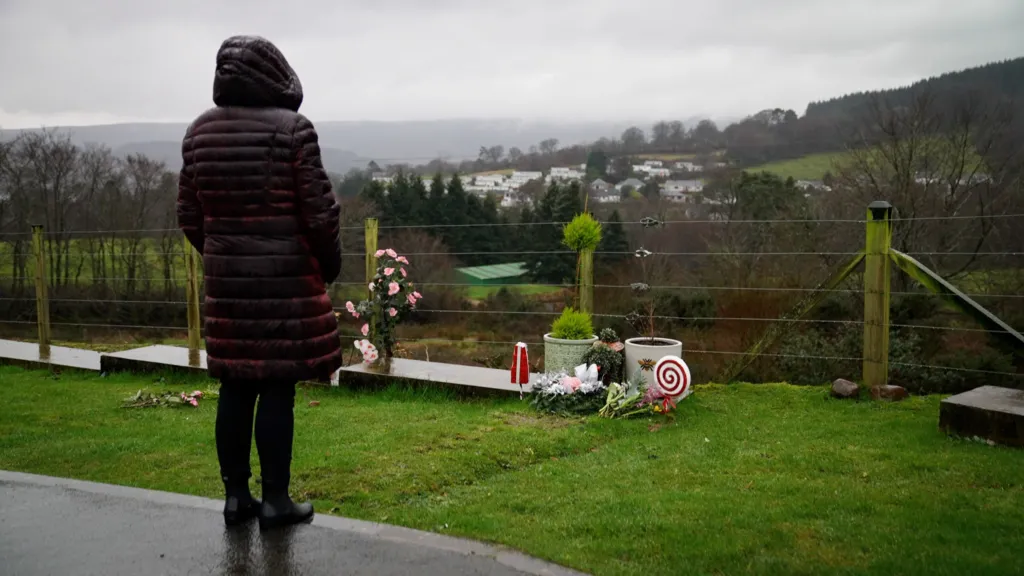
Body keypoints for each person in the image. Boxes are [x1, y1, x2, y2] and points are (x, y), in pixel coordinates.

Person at [177, 35, 343, 530]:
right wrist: (324, 266)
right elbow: (320, 214)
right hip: (285, 281)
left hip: (229, 284)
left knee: (235, 385)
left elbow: (189, 213)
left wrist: (224, 256)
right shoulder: (294, 130)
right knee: (276, 387)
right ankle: (275, 501)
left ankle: (235, 498)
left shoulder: (198, 133)